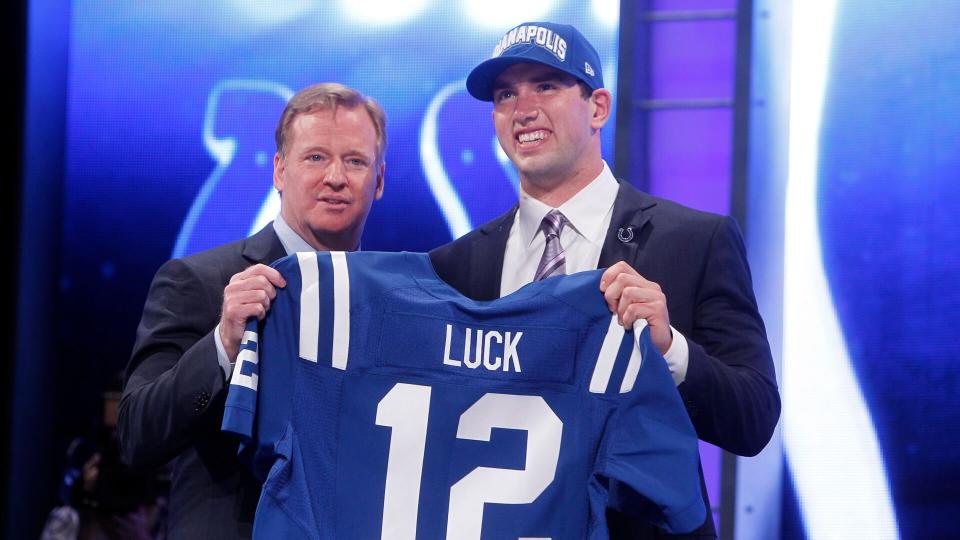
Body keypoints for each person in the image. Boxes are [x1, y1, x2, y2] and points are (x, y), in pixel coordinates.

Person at [429, 22, 780, 538]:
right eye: (505, 95)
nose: (522, 108)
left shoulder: (695, 241)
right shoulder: (456, 266)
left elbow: (753, 419)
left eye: (546, 85)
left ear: (597, 107)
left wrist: (669, 349)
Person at [118, 82, 386, 539]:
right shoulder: (198, 281)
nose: (336, 177)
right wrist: (222, 344)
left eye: (356, 161)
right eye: (316, 157)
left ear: (379, 181)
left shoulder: (392, 302)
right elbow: (136, 434)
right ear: (280, 170)